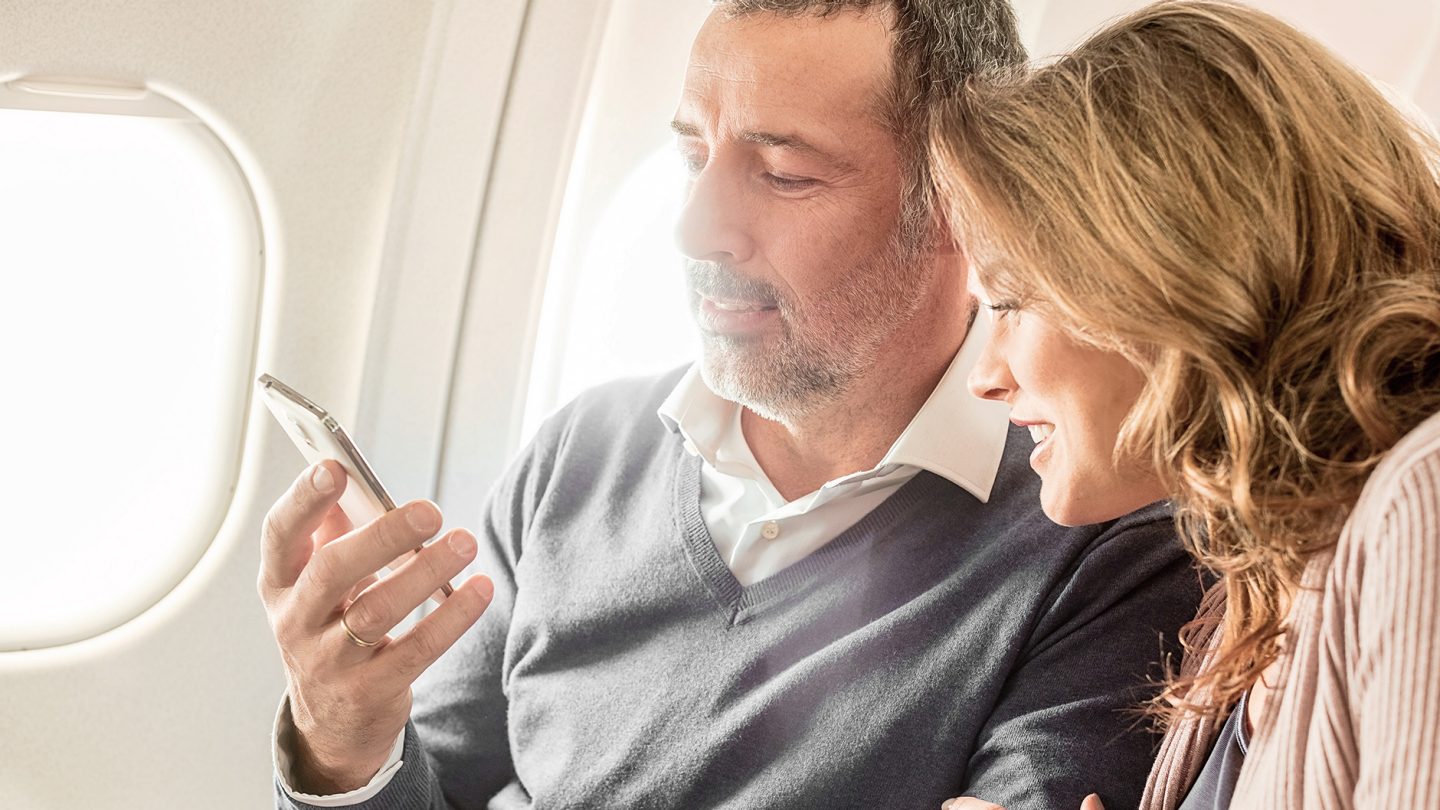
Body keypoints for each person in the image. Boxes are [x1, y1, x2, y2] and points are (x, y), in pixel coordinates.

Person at [260, 2, 1203, 808]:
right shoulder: (582, 456)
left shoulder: (1107, 533)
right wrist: (343, 741)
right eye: (693, 158)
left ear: (963, 200)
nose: (695, 226)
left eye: (783, 173)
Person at [929, 2, 1440, 809]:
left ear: (1166, 270)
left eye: (1010, 302)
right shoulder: (1249, 599)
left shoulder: (1425, 500)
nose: (984, 377)